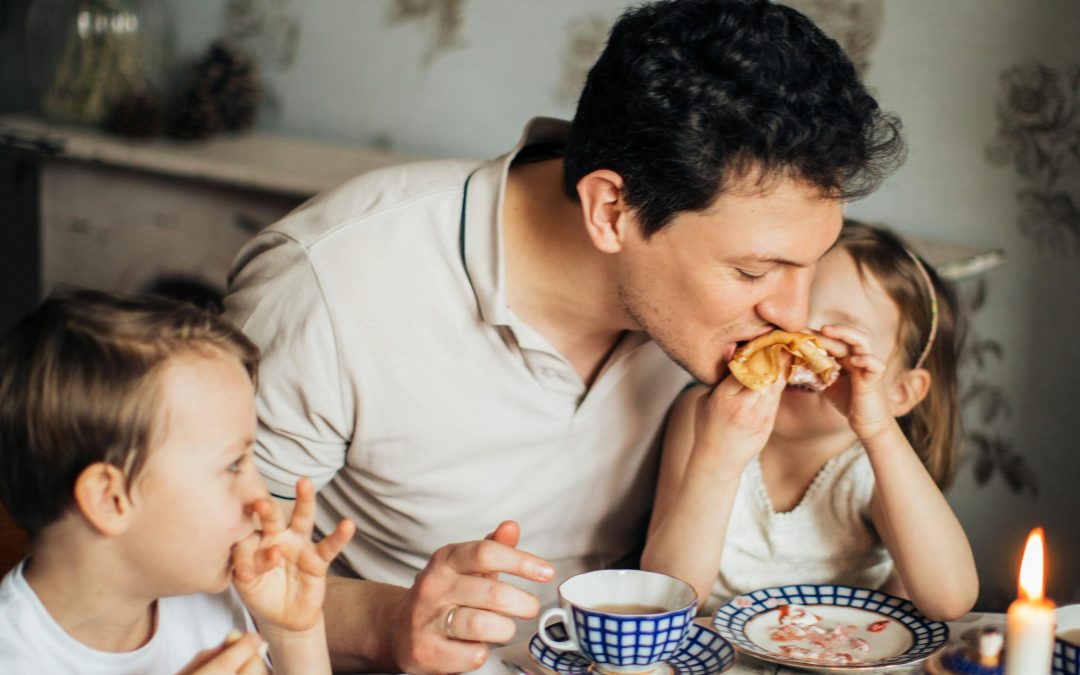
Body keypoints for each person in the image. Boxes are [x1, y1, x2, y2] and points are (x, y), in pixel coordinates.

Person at [223, 1, 904, 671]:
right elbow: (209, 571)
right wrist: (388, 621)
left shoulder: (718, 319)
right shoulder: (329, 283)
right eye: (753, 270)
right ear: (610, 210)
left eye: (811, 265)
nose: (792, 313)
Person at [0, 290, 355, 674]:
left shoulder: (208, 593)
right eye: (233, 465)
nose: (262, 499)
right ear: (110, 498)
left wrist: (294, 636)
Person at [641, 220, 979, 620]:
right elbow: (665, 599)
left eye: (839, 337)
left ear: (900, 393)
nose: (799, 347)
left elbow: (950, 600)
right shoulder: (706, 416)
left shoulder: (873, 468)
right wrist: (717, 461)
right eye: (788, 324)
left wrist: (879, 430)